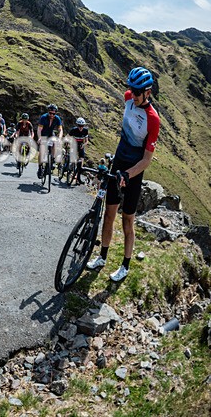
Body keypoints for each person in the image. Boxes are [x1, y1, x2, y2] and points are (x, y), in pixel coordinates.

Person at [87, 67, 160, 282]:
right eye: (131, 89)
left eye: (138, 91)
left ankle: (125, 266)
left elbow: (147, 159)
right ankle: (102, 257)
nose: (133, 94)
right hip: (118, 163)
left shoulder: (153, 119)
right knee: (109, 215)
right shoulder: (129, 97)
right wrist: (118, 171)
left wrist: (128, 175)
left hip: (134, 172)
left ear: (148, 92)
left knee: (127, 221)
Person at [37, 104, 63, 178]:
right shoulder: (43, 117)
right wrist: (39, 137)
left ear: (55, 113)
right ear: (48, 112)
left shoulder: (57, 119)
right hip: (43, 133)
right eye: (50, 113)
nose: (51, 115)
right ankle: (40, 167)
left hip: (51, 133)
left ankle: (52, 159)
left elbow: (60, 130)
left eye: (53, 114)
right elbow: (39, 129)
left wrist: (60, 138)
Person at [68, 117, 90, 184]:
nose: (81, 127)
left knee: (81, 161)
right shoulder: (74, 130)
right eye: (79, 126)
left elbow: (87, 141)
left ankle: (78, 177)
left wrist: (83, 145)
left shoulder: (85, 130)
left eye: (82, 126)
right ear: (77, 125)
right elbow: (68, 137)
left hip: (81, 145)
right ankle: (70, 166)